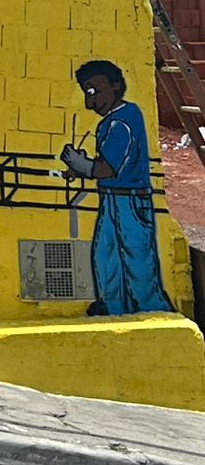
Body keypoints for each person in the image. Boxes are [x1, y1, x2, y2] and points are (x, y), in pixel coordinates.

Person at [60, 61, 173, 316]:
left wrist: (78, 163)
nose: (90, 102)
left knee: (138, 263)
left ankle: (154, 313)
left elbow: (107, 170)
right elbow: (108, 166)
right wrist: (84, 168)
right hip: (112, 199)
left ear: (115, 85)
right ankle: (113, 308)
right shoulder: (114, 121)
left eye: (94, 92)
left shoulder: (121, 122)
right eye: (87, 93)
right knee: (106, 257)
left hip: (130, 203)